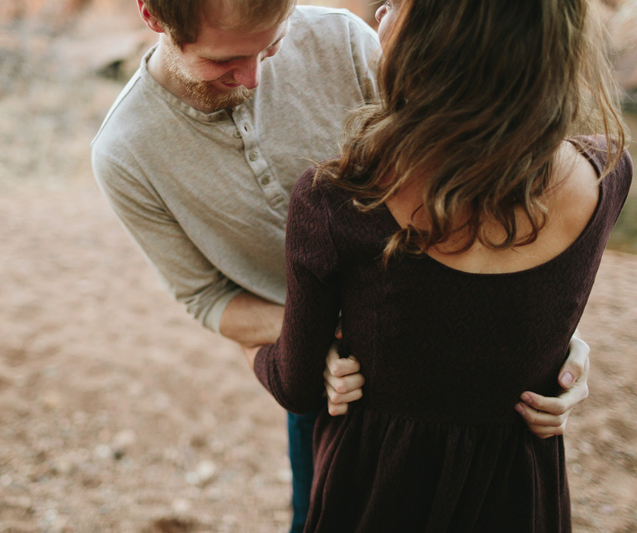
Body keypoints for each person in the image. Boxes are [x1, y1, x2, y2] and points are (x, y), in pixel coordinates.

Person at [91, 1, 592, 530]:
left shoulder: (349, 40)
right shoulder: (125, 153)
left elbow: (470, 179)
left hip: (459, 363)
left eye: (273, 46)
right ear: (153, 17)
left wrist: (547, 329)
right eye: (225, 62)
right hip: (328, 385)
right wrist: (310, 338)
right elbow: (206, 298)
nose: (254, 78)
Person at [248, 0, 633, 531]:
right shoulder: (606, 174)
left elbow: (296, 386)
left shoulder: (338, 200)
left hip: (377, 489)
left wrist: (260, 351)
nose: (381, 9)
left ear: (436, 43)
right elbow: (526, 302)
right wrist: (561, 355)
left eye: (399, 3)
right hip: (515, 491)